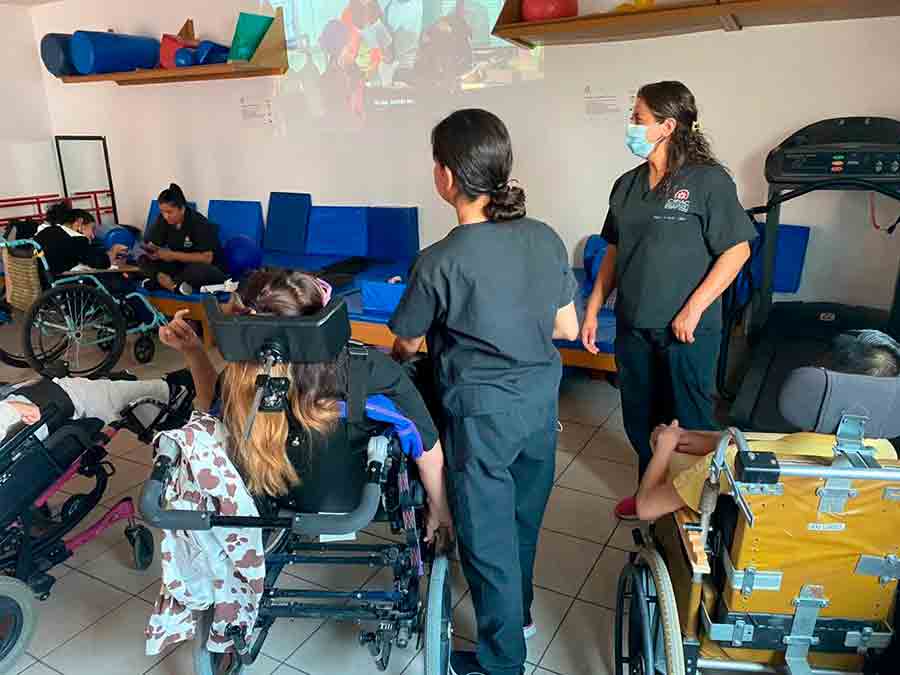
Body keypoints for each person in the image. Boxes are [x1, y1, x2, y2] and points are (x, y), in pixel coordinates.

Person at [388, 109, 579, 675]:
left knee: (488, 539)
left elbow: (404, 342)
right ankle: (518, 617)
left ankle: (502, 663)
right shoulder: (544, 238)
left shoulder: (439, 260)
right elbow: (566, 329)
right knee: (523, 519)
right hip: (540, 407)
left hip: (482, 418)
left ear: (445, 176)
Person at [157, 269, 453, 541]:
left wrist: (193, 352)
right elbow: (426, 446)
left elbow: (210, 407)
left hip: (270, 494)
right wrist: (441, 511)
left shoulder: (239, 375)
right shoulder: (368, 368)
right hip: (354, 497)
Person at [580, 81, 757, 520]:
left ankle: (697, 512)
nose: (630, 126)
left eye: (638, 118)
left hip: (687, 331)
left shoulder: (708, 181)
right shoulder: (626, 185)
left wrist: (694, 307)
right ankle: (649, 495)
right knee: (642, 422)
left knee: (691, 423)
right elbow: (614, 251)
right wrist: (593, 305)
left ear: (668, 125)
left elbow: (737, 250)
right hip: (634, 327)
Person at [634, 330, 900, 522]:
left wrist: (665, 446)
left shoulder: (739, 463)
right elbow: (769, 444)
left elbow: (645, 508)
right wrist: (709, 440)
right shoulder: (888, 463)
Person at [0, 370, 193, 444]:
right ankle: (172, 392)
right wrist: (11, 405)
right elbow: (29, 412)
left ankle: (121, 385)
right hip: (56, 406)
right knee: (83, 393)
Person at [140, 184, 227, 295]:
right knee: (143, 260)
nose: (165, 216)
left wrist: (172, 255)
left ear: (182, 208)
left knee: (198, 272)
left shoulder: (200, 223)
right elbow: (153, 243)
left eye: (169, 212)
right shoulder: (163, 220)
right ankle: (170, 284)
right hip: (178, 266)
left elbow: (207, 258)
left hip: (205, 267)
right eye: (162, 212)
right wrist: (152, 251)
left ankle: (158, 282)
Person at [33, 202, 127, 278]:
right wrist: (114, 250)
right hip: (62, 284)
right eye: (92, 229)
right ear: (79, 223)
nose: (93, 236)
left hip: (42, 282)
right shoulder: (77, 239)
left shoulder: (47, 231)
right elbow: (101, 263)